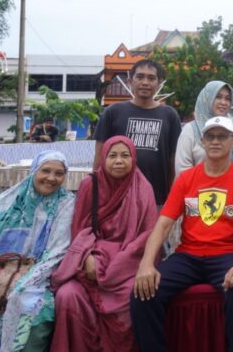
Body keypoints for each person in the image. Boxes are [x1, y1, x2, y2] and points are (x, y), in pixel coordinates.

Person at [130, 116, 233, 352]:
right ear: (202, 141)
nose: (215, 141)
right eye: (210, 136)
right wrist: (146, 264)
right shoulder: (186, 179)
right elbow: (163, 224)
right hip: (187, 255)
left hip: (226, 255)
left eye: (222, 136)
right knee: (142, 294)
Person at [50, 136, 158, 352]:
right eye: (112, 155)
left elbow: (148, 235)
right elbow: (79, 229)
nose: (118, 161)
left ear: (133, 159)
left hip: (128, 265)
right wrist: (86, 257)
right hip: (90, 261)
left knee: (133, 295)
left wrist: (118, 265)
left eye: (125, 155)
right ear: (103, 158)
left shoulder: (142, 187)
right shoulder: (90, 185)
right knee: (67, 295)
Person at [0, 151, 75, 352]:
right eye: (45, 171)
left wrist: (23, 282)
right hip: (0, 267)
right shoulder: (12, 200)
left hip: (38, 276)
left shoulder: (66, 204)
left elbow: (57, 252)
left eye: (59, 173)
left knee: (32, 305)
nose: (51, 178)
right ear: (34, 171)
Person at [93, 59, 182, 206]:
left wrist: (172, 196)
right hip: (117, 198)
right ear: (130, 81)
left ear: (159, 83)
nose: (145, 82)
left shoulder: (170, 115)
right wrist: (97, 191)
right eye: (140, 77)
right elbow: (99, 156)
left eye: (151, 78)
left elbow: (173, 159)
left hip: (157, 199)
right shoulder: (113, 112)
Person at [176, 80, 233, 173]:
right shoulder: (190, 130)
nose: (223, 102)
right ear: (207, 98)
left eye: (227, 99)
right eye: (218, 97)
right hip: (198, 182)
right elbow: (182, 169)